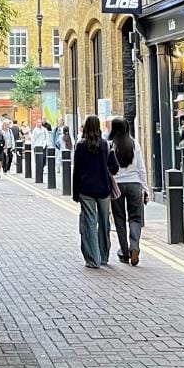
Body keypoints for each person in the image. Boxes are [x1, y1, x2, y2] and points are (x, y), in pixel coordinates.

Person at [72, 114, 113, 269]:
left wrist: (75, 192)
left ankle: (93, 259)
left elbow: (76, 170)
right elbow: (113, 167)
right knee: (104, 222)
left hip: (86, 189)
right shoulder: (105, 145)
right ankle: (104, 256)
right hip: (103, 189)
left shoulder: (80, 146)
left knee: (89, 223)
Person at [108, 116, 147, 266]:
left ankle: (124, 252)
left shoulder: (111, 145)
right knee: (135, 218)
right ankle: (134, 246)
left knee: (119, 219)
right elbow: (141, 168)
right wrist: (145, 189)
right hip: (134, 184)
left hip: (117, 185)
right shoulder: (134, 144)